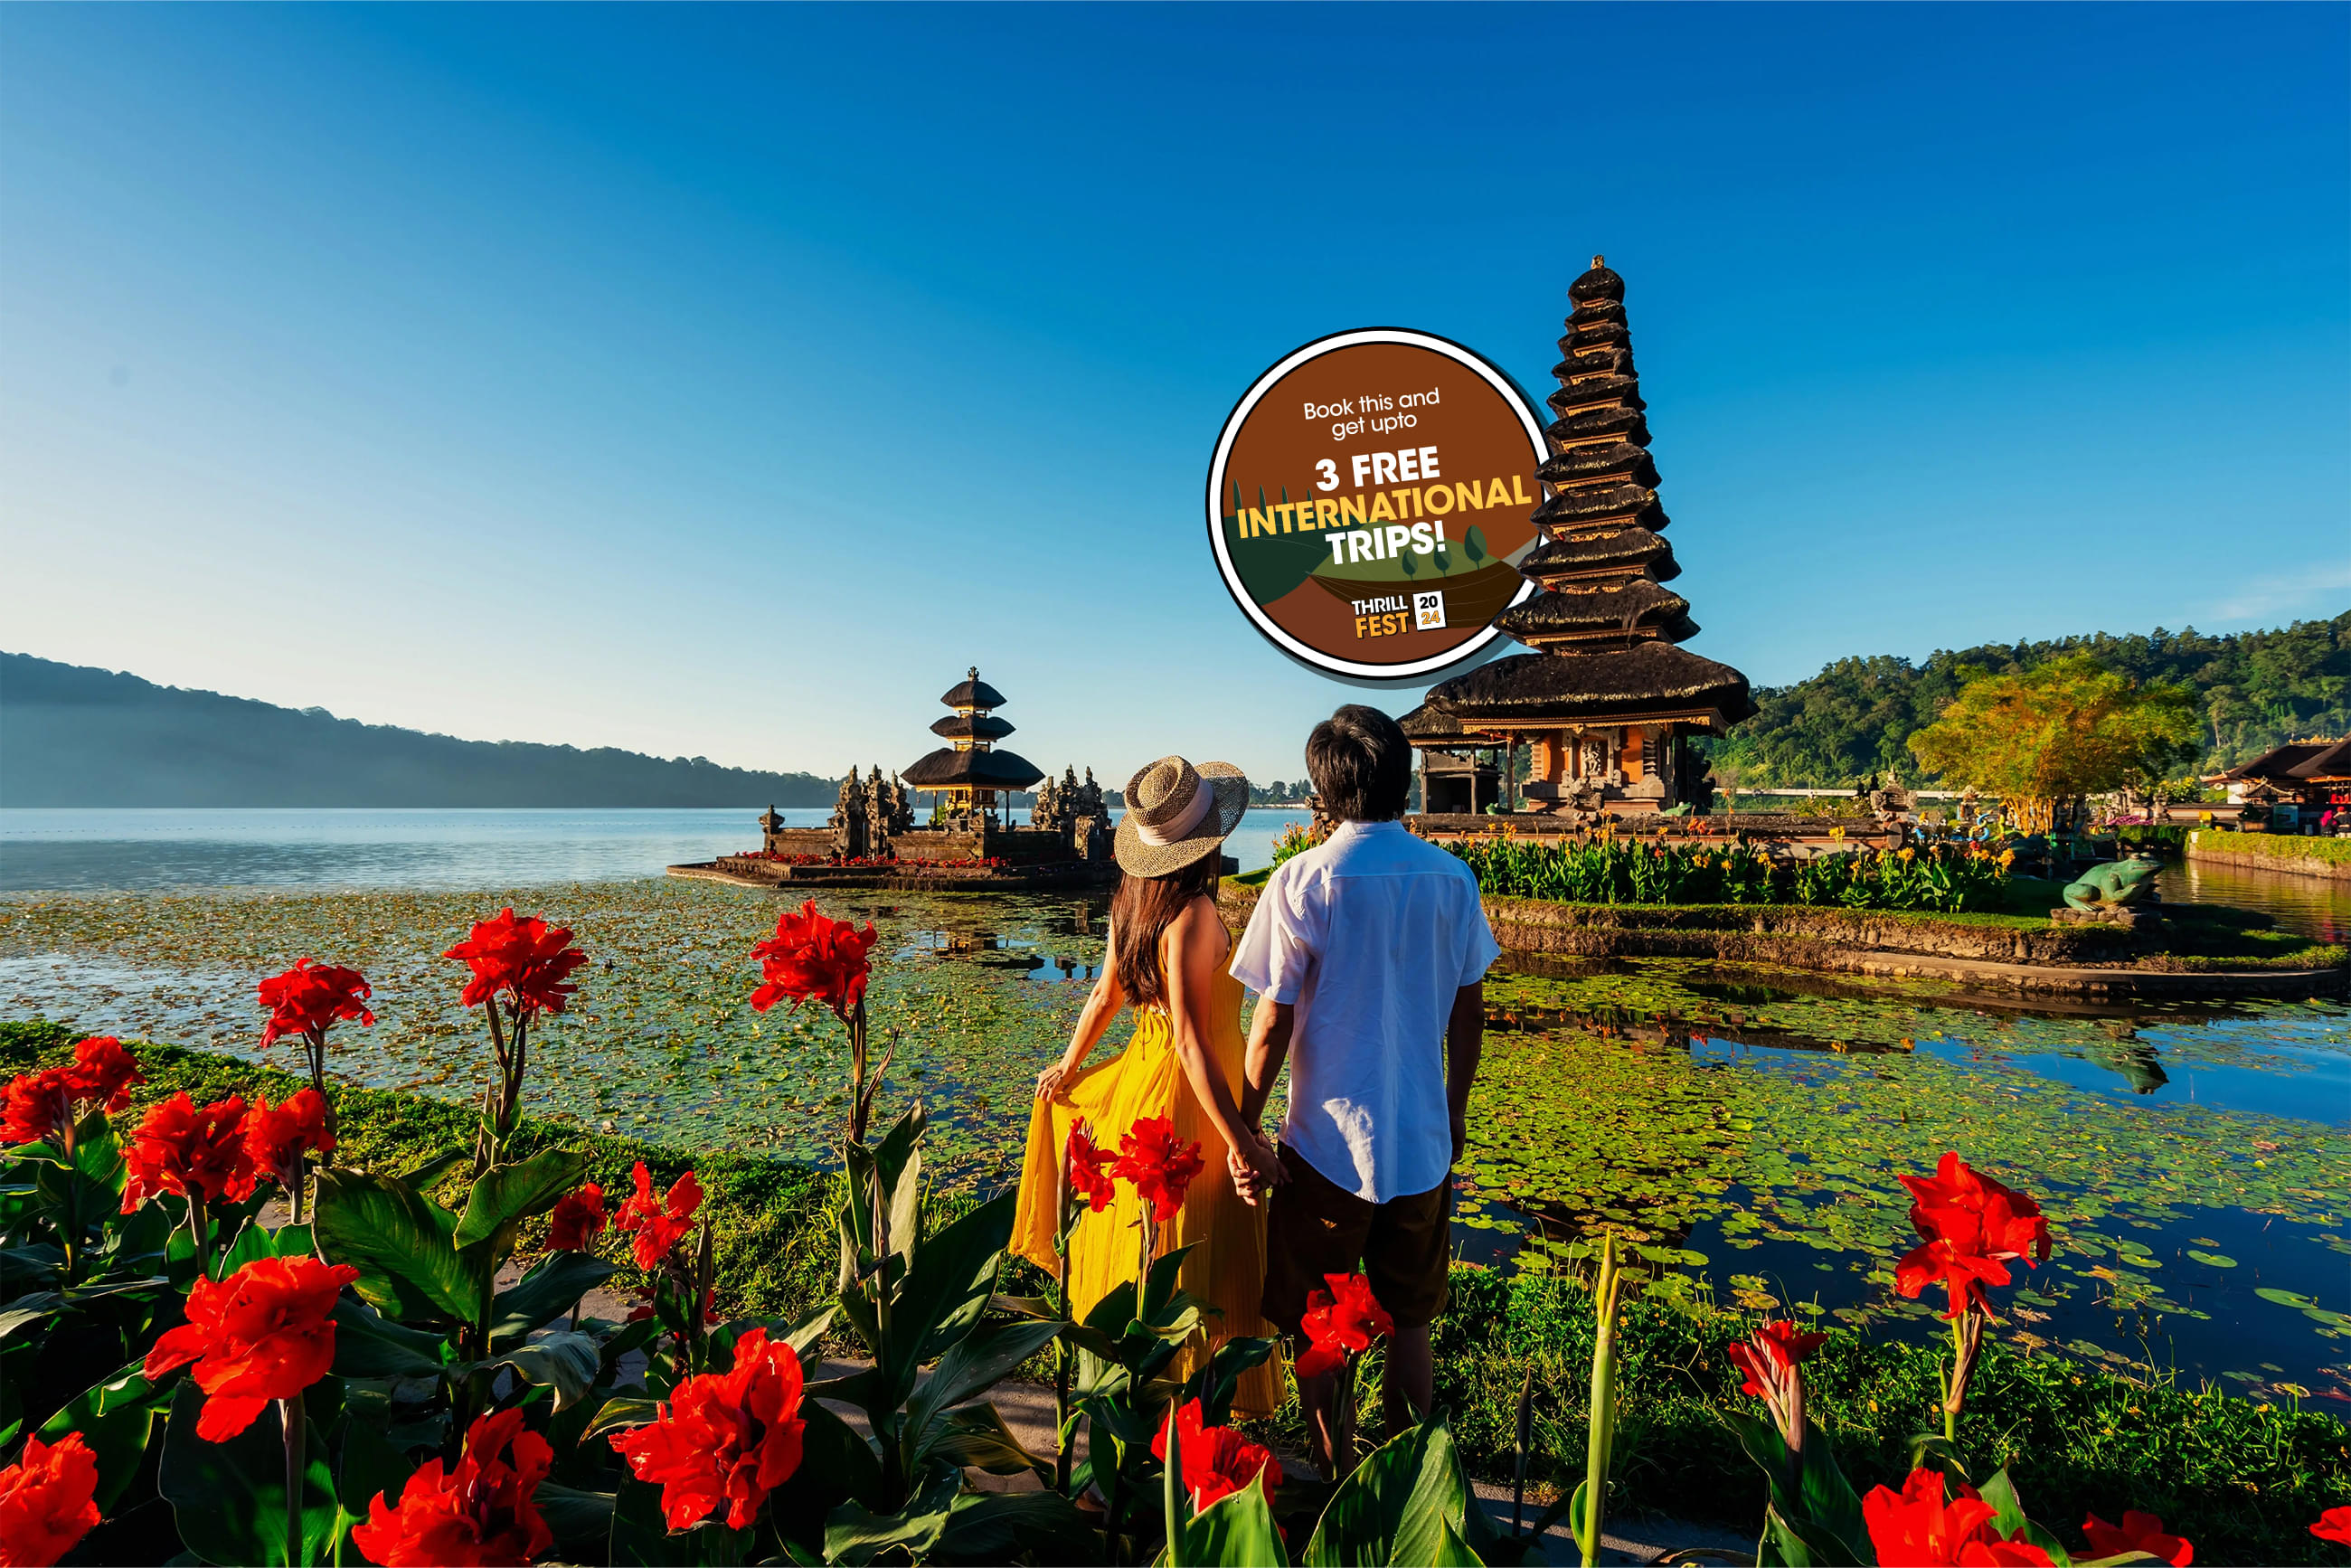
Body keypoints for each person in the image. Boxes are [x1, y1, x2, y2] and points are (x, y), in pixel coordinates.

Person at [1228, 704, 1497, 1477]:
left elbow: (1270, 1025)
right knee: (1411, 1322)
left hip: (1325, 1148)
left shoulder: (1303, 880)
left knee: (1324, 1326)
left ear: (1322, 789)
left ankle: (1338, 1480)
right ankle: (1412, 1485)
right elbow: (1468, 1010)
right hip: (1420, 1144)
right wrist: (1453, 1108)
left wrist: (1246, 1128)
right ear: (1404, 777)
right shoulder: (1451, 878)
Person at [1010, 754, 1286, 1416]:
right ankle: (1184, 1418)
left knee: (1153, 1250)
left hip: (1141, 1078)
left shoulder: (1131, 904)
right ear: (1209, 845)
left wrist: (1071, 1067)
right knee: (1199, 1257)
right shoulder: (1190, 915)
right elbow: (1192, 1040)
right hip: (1190, 1096)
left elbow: (1104, 994)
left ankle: (1138, 1410)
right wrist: (1242, 1140)